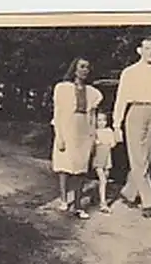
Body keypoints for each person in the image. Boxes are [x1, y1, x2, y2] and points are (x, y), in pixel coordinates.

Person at [111, 34, 151, 219]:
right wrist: (117, 124)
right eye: (147, 48)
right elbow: (121, 99)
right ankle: (149, 201)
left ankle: (129, 192)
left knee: (148, 158)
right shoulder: (129, 73)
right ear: (139, 50)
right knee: (138, 158)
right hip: (135, 113)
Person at [51, 57, 103, 220]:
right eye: (81, 67)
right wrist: (59, 135)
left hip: (83, 129)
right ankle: (64, 200)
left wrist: (93, 135)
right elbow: (58, 113)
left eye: (87, 67)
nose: (84, 70)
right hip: (67, 127)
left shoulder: (93, 93)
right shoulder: (62, 88)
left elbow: (92, 116)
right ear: (74, 69)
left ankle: (79, 205)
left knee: (81, 168)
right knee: (65, 166)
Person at [92, 111, 117, 214]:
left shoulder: (109, 131)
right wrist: (98, 143)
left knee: (105, 178)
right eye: (99, 120)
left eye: (104, 120)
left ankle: (96, 196)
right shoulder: (95, 132)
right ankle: (103, 203)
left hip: (107, 157)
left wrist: (109, 142)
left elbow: (113, 143)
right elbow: (93, 144)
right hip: (98, 157)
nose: (102, 122)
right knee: (103, 180)